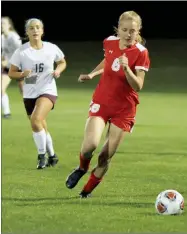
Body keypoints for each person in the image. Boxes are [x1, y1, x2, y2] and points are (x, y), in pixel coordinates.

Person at [65, 11, 151, 198]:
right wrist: (92, 74)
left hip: (124, 109)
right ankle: (81, 168)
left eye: (133, 31)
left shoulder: (141, 53)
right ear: (117, 29)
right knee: (90, 146)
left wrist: (127, 68)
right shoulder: (109, 42)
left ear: (139, 31)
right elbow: (108, 60)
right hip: (102, 101)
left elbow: (138, 85)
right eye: (124, 30)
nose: (128, 34)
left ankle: (85, 193)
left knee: (105, 156)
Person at [8, 18, 67, 169]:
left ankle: (42, 156)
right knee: (39, 125)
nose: (35, 30)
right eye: (31, 28)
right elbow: (11, 73)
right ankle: (52, 156)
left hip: (47, 90)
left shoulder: (51, 48)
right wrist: (22, 74)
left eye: (37, 27)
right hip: (29, 92)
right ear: (27, 32)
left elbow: (62, 62)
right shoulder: (21, 51)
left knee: (35, 120)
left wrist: (58, 71)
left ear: (42, 30)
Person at [1, 17, 23, 119]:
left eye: (4, 23)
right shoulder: (1, 38)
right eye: (1, 23)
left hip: (19, 66)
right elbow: (4, 53)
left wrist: (8, 62)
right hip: (7, 68)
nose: (1, 25)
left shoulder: (14, 37)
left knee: (23, 91)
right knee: (1, 89)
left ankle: (33, 110)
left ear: (9, 25)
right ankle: (7, 113)